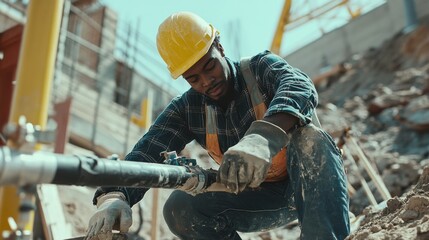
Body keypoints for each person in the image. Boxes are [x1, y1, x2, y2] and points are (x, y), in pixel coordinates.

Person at [85, 11, 350, 240]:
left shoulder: (260, 69)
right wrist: (115, 196)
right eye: (193, 79)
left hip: (312, 184)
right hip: (260, 200)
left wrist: (261, 139)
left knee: (309, 140)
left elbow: (299, 86)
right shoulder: (188, 109)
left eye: (210, 67)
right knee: (180, 208)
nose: (206, 82)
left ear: (219, 47)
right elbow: (147, 152)